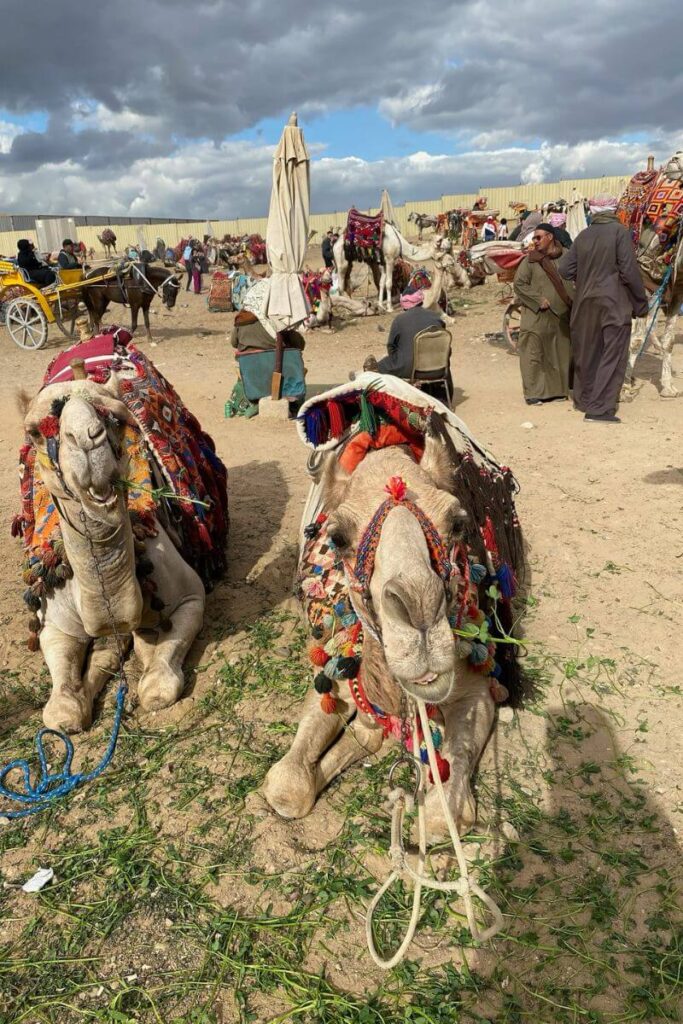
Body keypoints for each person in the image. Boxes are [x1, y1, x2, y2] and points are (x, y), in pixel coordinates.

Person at [558, 194, 648, 423]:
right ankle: (599, 409)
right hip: (613, 304)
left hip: (584, 305)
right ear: (614, 210)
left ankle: (585, 400)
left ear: (594, 213)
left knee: (588, 353)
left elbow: (565, 270)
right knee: (612, 355)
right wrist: (640, 304)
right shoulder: (620, 232)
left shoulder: (583, 236)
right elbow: (629, 270)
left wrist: (586, 275)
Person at [513, 224, 573, 405]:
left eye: (538, 237)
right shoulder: (530, 260)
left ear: (550, 237)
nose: (535, 241)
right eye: (534, 238)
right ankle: (533, 393)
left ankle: (557, 391)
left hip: (561, 315)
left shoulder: (566, 257)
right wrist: (538, 299)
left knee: (558, 353)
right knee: (533, 352)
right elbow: (519, 284)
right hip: (537, 314)